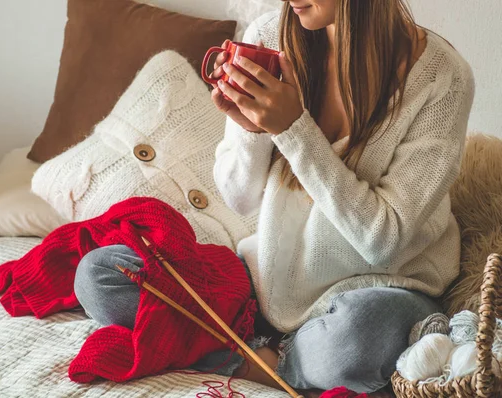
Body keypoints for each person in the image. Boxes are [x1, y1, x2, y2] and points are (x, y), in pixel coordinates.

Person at [73, 0, 474, 394]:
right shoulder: (268, 37)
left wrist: (293, 129)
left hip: (382, 287)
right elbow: (240, 199)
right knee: (101, 274)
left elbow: (383, 241)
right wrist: (251, 130)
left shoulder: (442, 78)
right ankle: (262, 361)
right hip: (270, 281)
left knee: (357, 337)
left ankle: (242, 356)